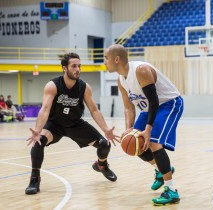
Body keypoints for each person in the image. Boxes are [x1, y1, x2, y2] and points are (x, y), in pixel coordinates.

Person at [25, 52, 119, 195]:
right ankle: (34, 178)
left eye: (79, 66)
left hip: (75, 125)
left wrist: (106, 129)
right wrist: (38, 131)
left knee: (104, 144)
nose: (78, 69)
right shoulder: (53, 85)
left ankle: (102, 165)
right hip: (55, 125)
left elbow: (94, 110)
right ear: (64, 68)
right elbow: (45, 109)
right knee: (39, 142)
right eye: (74, 66)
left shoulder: (84, 87)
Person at [104, 44, 184, 205]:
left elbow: (154, 101)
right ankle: (161, 172)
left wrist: (147, 129)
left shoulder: (140, 70)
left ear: (116, 59)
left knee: (153, 142)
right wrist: (129, 129)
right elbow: (128, 107)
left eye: (106, 58)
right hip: (149, 109)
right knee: (134, 143)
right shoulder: (121, 80)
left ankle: (171, 191)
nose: (104, 61)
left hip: (168, 104)